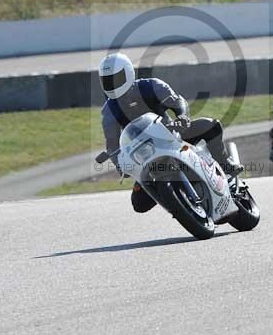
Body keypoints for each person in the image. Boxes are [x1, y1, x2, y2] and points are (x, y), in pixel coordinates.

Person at [99, 53, 243, 214]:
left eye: (116, 78)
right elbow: (111, 143)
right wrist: (120, 164)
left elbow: (177, 101)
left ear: (128, 73)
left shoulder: (150, 86)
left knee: (211, 125)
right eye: (107, 80)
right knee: (139, 204)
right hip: (144, 155)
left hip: (174, 135)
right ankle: (180, 204)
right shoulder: (108, 111)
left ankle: (224, 163)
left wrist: (181, 116)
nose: (112, 84)